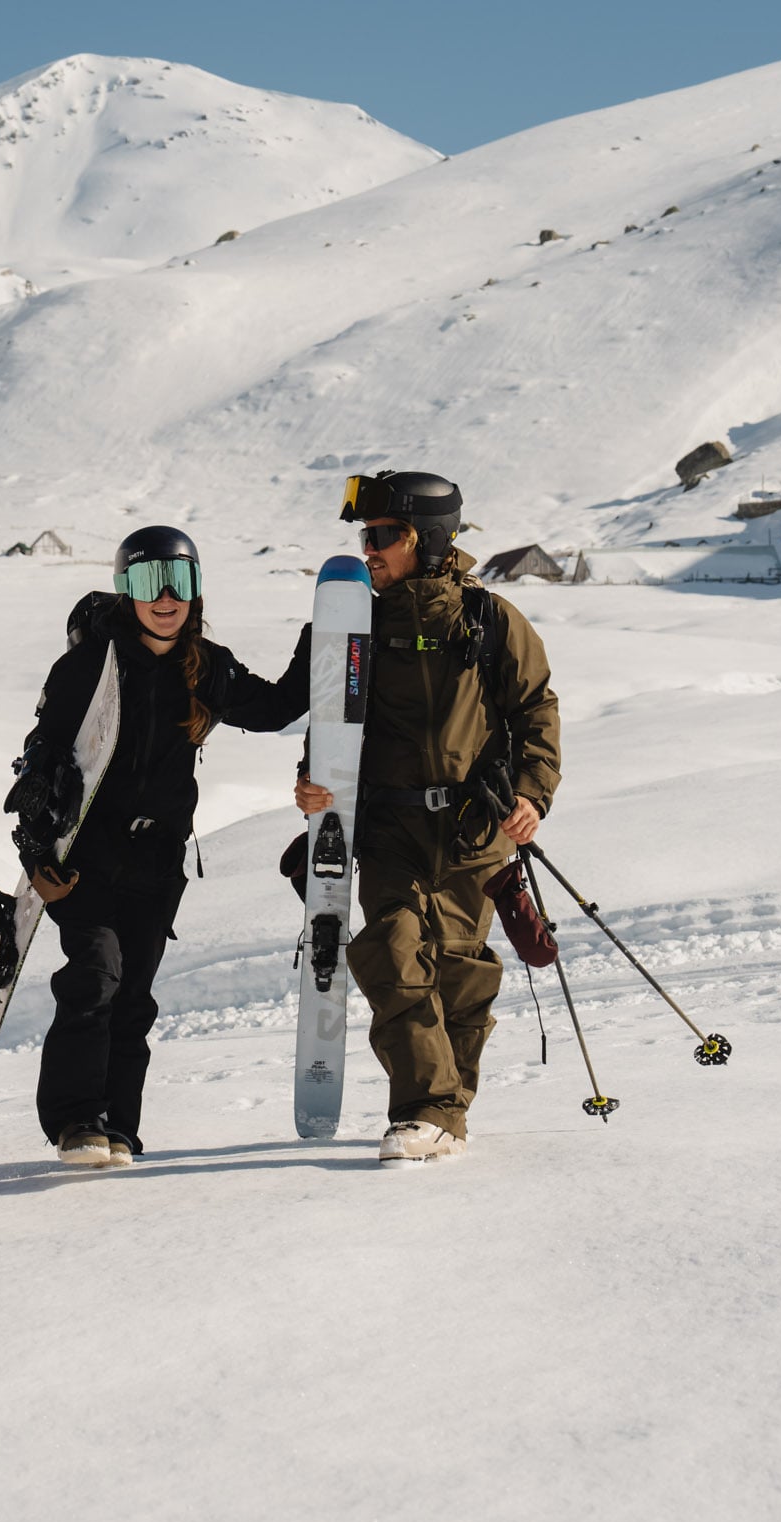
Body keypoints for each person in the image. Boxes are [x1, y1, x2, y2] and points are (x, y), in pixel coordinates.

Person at [14, 527, 305, 1167]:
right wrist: (35, 852)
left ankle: (119, 1127)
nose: (166, 597)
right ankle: (76, 1120)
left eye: (180, 581)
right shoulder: (88, 667)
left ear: (196, 590)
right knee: (95, 976)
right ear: (127, 591)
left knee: (134, 996)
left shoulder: (209, 667)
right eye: (150, 582)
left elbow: (277, 709)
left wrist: (324, 636)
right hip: (85, 861)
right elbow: (38, 763)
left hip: (156, 863)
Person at [295, 471, 562, 1163]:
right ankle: (425, 1107)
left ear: (427, 538)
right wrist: (313, 779)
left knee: (459, 974)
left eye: (384, 535)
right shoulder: (358, 623)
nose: (369, 549)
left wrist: (532, 793)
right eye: (367, 535)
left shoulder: (491, 620)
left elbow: (536, 709)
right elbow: (331, 715)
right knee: (391, 953)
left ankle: (446, 1112)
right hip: (390, 829)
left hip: (474, 832)